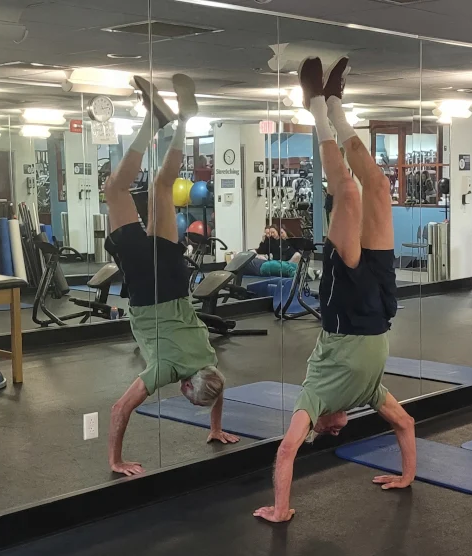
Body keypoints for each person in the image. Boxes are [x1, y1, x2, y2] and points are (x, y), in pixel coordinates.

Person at [253, 56, 416, 523]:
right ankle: (336, 104)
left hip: (343, 309)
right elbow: (405, 425)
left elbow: (286, 451)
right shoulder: (368, 394)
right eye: (335, 433)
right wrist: (407, 476)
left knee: (346, 193)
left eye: (328, 434)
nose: (336, 431)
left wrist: (281, 509)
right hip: (383, 305)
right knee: (380, 188)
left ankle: (317, 109)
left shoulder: (316, 398)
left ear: (320, 425)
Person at [105, 73, 240, 476]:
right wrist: (115, 460)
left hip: (176, 278)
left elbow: (219, 390)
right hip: (147, 286)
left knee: (162, 187)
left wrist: (217, 428)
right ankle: (154, 120)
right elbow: (119, 409)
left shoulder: (209, 360)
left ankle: (181, 119)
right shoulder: (166, 371)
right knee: (116, 190)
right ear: (185, 385)